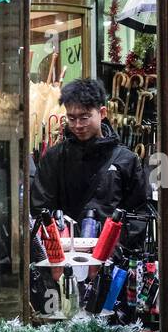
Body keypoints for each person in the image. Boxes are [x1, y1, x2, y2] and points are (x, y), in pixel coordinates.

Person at [30, 77, 151, 246]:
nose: (78, 125)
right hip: (63, 259)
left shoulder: (126, 160)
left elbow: (138, 215)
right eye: (71, 118)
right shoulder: (54, 158)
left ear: (102, 113)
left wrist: (114, 250)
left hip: (109, 260)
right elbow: (40, 211)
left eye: (84, 117)